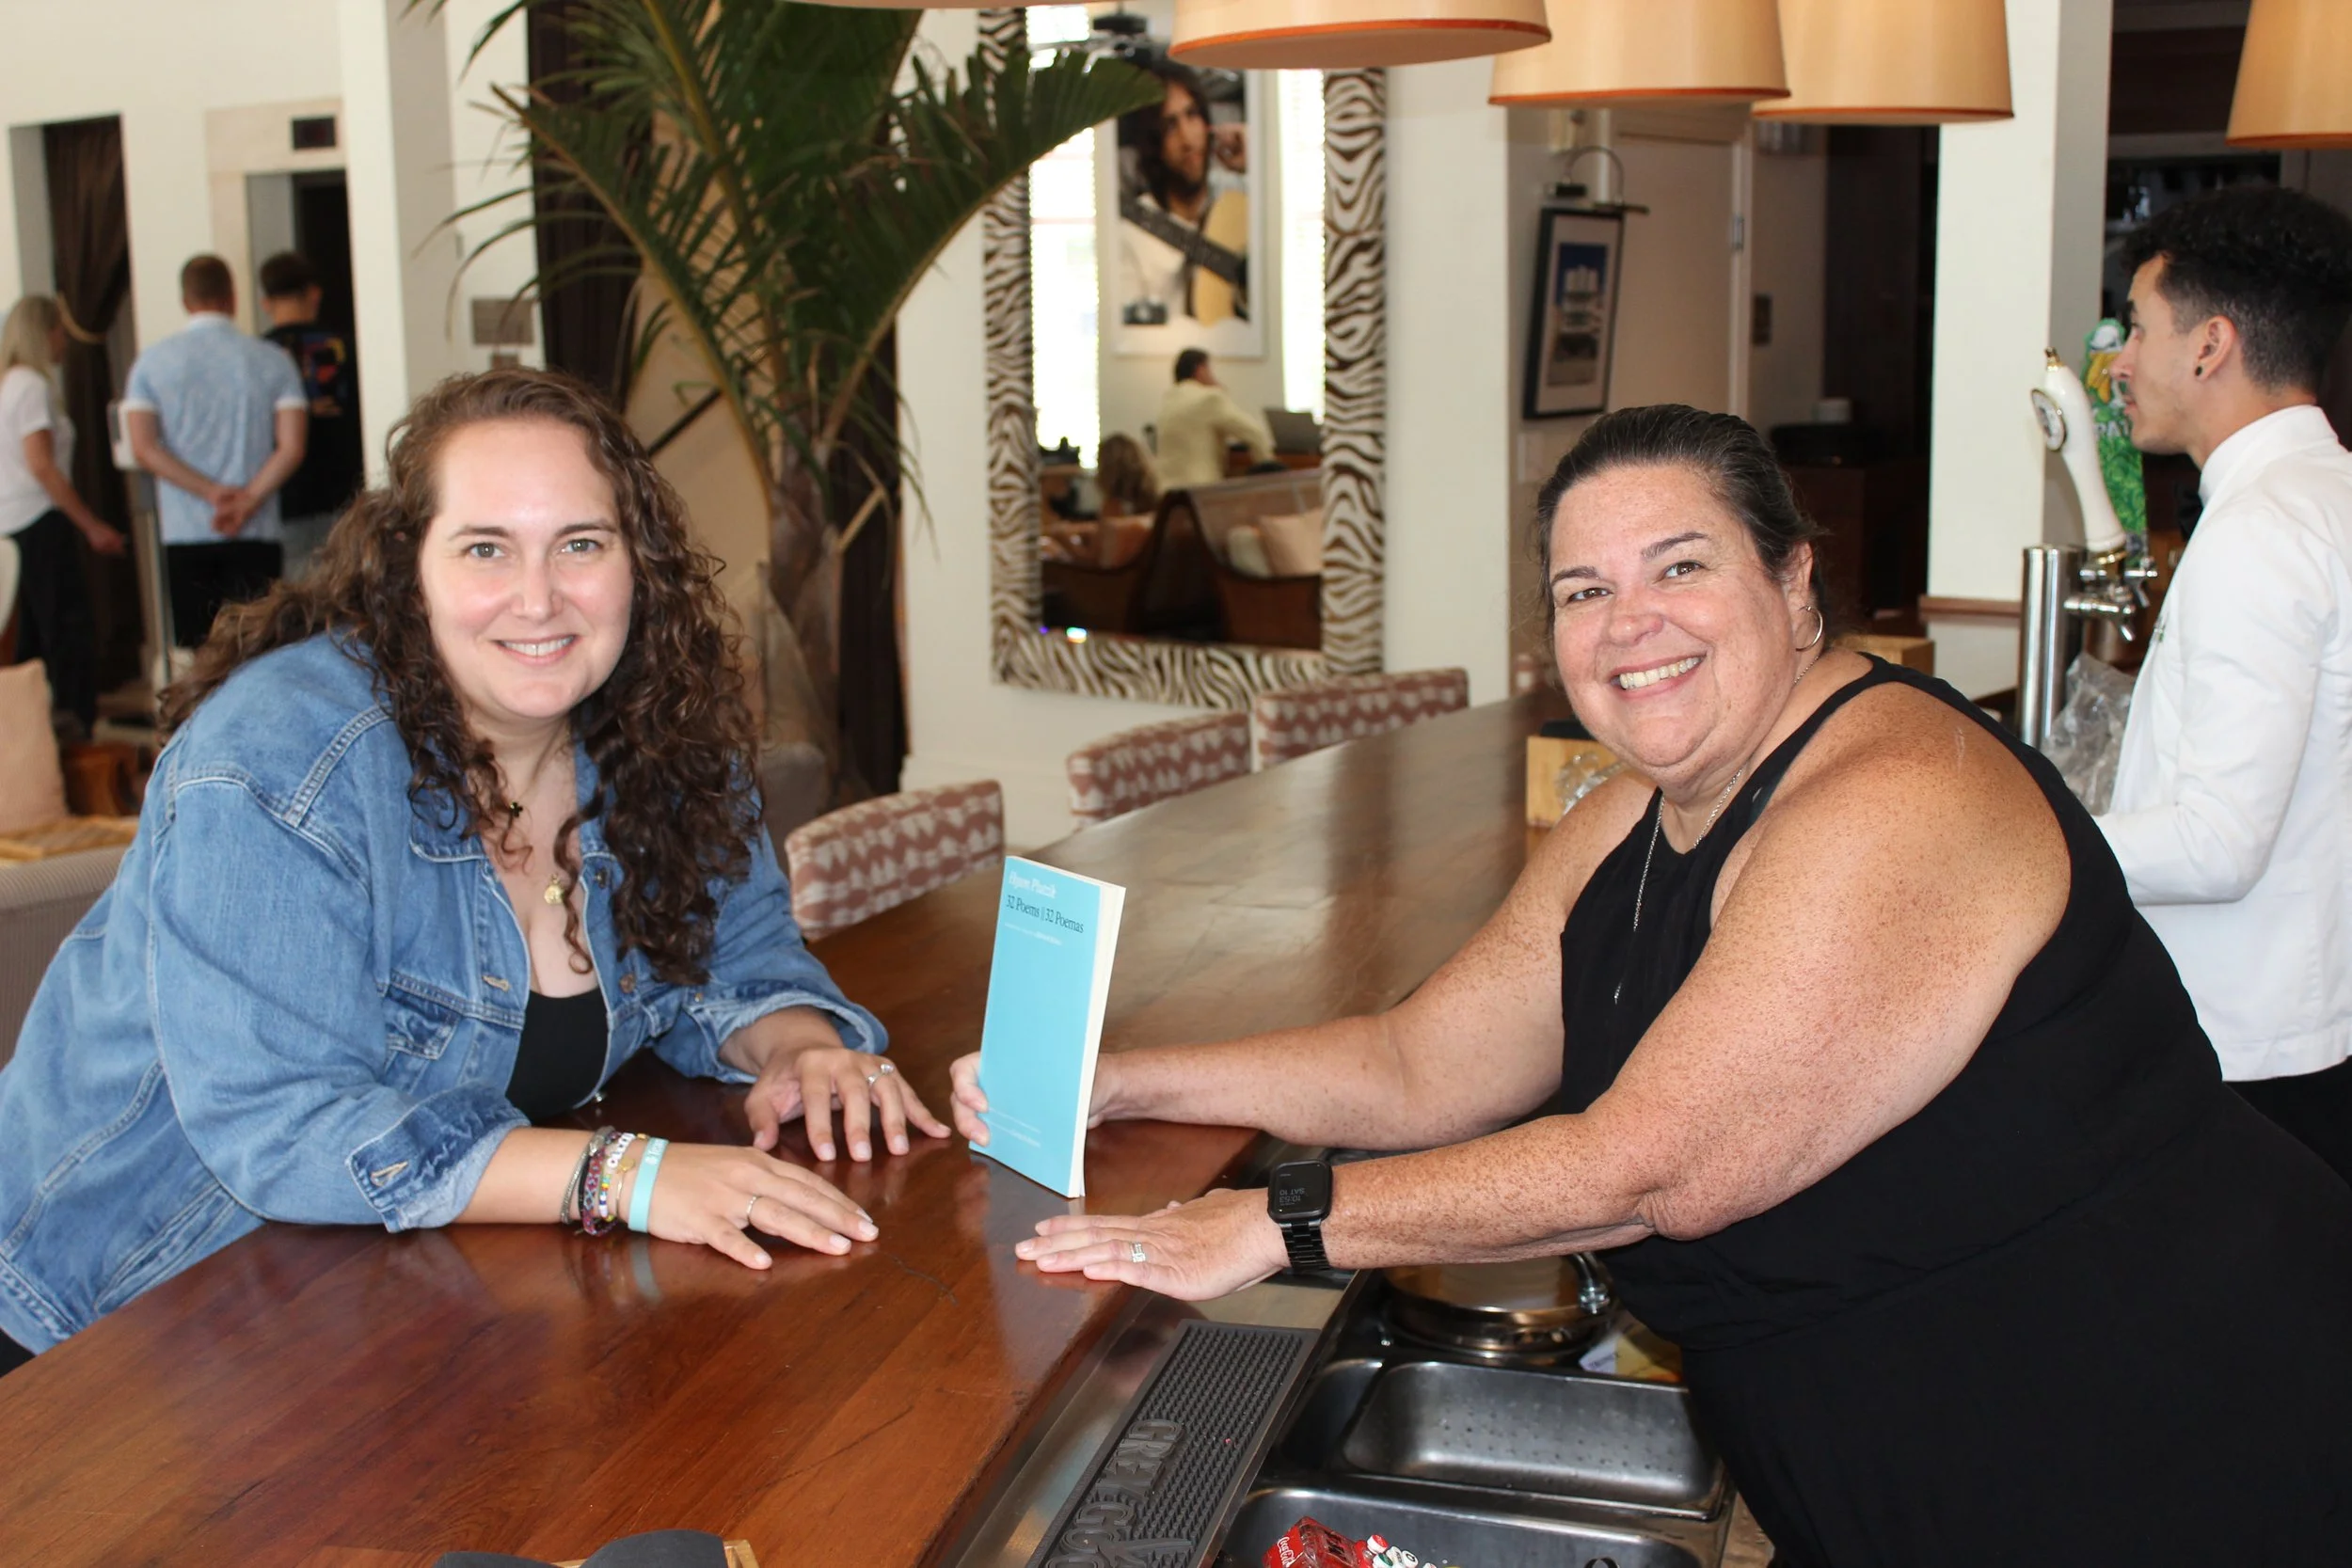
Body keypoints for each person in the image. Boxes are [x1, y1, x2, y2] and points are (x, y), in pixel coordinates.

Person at [957, 405, 2352, 1566]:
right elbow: (1418, 1063)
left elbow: (1658, 1166)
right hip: (1927, 1452)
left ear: (1796, 580)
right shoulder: (1641, 811)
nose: (1631, 624)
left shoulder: (1895, 794)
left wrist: (1277, 1218)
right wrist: (1128, 1072)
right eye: (1583, 590)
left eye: (1680, 567)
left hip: (2164, 1433)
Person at [0, 369, 950, 1375]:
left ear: (641, 564)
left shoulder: (660, 735)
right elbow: (282, 1121)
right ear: (409, 569)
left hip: (383, 1311)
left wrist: (800, 1047)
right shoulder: (281, 760)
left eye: (580, 544)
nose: (538, 598)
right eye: (486, 548)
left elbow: (738, 950)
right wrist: (624, 1172)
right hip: (98, 1324)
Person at [2097, 185, 2352, 1187]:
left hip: (2245, 1044)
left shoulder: (2258, 531)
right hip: (2309, 1008)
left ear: (2209, 345)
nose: (2117, 360)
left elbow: (2216, 841)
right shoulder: (2325, 491)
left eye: (2137, 328)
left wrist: (2020, 834)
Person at [121, 254, 308, 647]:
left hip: (187, 529)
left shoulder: (151, 363)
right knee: (259, 647)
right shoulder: (272, 361)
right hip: (255, 528)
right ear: (232, 297)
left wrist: (211, 493)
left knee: (200, 653)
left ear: (186, 300)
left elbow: (143, 447)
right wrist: (247, 499)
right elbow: (291, 447)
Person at [0, 295, 125, 736]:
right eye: (59, 332)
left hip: (11, 525)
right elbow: (42, 465)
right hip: (40, 520)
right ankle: (76, 730)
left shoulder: (6, 385)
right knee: (67, 631)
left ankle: (31, 734)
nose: (64, 343)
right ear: (45, 332)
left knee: (30, 639)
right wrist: (90, 525)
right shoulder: (31, 387)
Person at [1116, 59, 1248, 328]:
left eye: (1192, 115)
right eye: (1170, 126)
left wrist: (1253, 158)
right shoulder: (1131, 236)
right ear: (1154, 143)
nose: (1188, 139)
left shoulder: (1237, 202)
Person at [258, 251, 364, 580]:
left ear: (266, 302)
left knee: (293, 598)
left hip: (281, 496)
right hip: (346, 491)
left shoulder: (258, 355)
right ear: (314, 293)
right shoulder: (348, 347)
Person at [1154, 349, 1271, 490]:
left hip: (1166, 491)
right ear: (1200, 370)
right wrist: (1269, 471)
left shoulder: (1168, 401)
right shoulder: (1210, 398)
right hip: (1201, 490)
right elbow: (1254, 433)